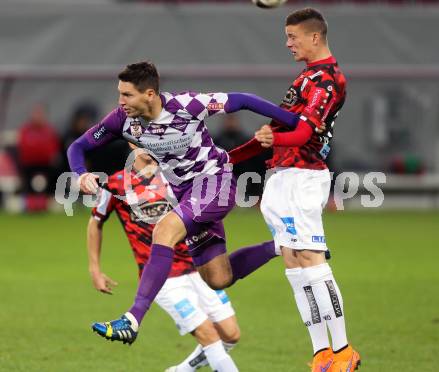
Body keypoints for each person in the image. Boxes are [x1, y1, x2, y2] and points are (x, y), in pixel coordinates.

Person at [67, 60, 317, 346]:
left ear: (149, 94)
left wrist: (296, 124)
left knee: (164, 231)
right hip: (186, 194)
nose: (120, 101)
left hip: (216, 182)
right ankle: (284, 242)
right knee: (218, 277)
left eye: (127, 95)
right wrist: (80, 174)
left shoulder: (188, 105)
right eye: (119, 94)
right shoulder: (122, 120)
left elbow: (243, 100)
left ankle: (132, 319)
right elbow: (78, 147)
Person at [228, 8, 360, 372]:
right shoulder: (305, 78)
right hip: (280, 177)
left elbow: (304, 134)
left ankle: (345, 349)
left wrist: (275, 137)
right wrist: (229, 158)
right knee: (293, 261)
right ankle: (322, 352)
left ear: (314, 37)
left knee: (312, 260)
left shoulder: (330, 80)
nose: (287, 43)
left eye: (293, 37)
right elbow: (272, 132)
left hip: (304, 176)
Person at [88, 144, 240, 371]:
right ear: (131, 143)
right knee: (208, 335)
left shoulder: (177, 176)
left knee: (231, 334)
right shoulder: (115, 183)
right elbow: (95, 222)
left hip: (198, 265)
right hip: (164, 277)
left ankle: (181, 370)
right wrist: (95, 269)